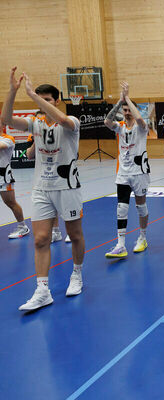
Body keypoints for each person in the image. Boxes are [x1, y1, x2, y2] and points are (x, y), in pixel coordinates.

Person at [2, 67, 85, 311]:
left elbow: (62, 120)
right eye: (40, 100)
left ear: (57, 101)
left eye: (47, 100)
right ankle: (42, 290)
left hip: (67, 186)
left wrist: (33, 96)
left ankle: (77, 274)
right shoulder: (35, 123)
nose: (43, 104)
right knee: (40, 239)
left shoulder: (72, 122)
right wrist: (13, 91)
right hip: (41, 187)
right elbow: (7, 120)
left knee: (75, 235)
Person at [104, 82, 151, 258]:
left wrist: (128, 99)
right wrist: (120, 101)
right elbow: (107, 121)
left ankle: (142, 237)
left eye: (129, 110)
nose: (127, 112)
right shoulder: (120, 127)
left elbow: (139, 119)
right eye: (124, 110)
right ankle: (121, 245)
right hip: (123, 172)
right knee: (121, 208)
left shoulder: (141, 127)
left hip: (139, 172)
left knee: (141, 206)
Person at [0, 121, 30, 239]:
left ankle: (23, 227)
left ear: (3, 125)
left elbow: (1, 146)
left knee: (10, 202)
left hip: (3, 176)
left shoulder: (8, 139)